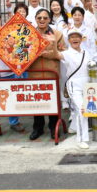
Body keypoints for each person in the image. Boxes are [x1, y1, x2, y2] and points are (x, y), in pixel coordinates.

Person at [29, 9, 66, 141]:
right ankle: (37, 128)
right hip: (34, 74)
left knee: (53, 103)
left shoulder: (57, 34)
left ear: (49, 19)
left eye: (45, 18)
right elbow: (22, 55)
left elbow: (64, 53)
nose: (42, 20)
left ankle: (53, 127)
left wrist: (48, 53)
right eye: (39, 18)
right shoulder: (29, 35)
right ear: (35, 19)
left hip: (52, 74)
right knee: (36, 102)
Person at [61, 29, 90, 148]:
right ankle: (81, 139)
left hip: (87, 83)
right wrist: (52, 43)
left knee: (83, 109)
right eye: (72, 37)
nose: (75, 39)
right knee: (81, 108)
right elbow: (55, 54)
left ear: (81, 39)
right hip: (74, 83)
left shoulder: (86, 52)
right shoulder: (66, 53)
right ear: (69, 40)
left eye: (77, 37)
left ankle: (74, 127)